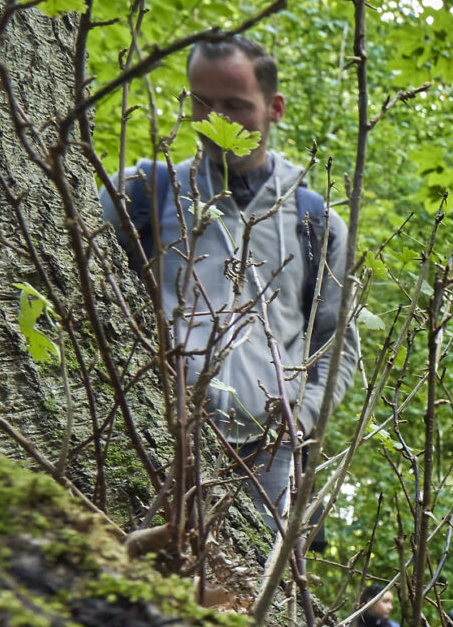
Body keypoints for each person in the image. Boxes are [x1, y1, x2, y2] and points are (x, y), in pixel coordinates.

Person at [104, 31, 359, 528]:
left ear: (275, 108)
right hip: (152, 430)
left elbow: (335, 340)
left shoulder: (316, 223)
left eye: (236, 105)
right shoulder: (144, 193)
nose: (215, 120)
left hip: (269, 456)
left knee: (253, 593)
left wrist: (303, 415)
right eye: (202, 103)